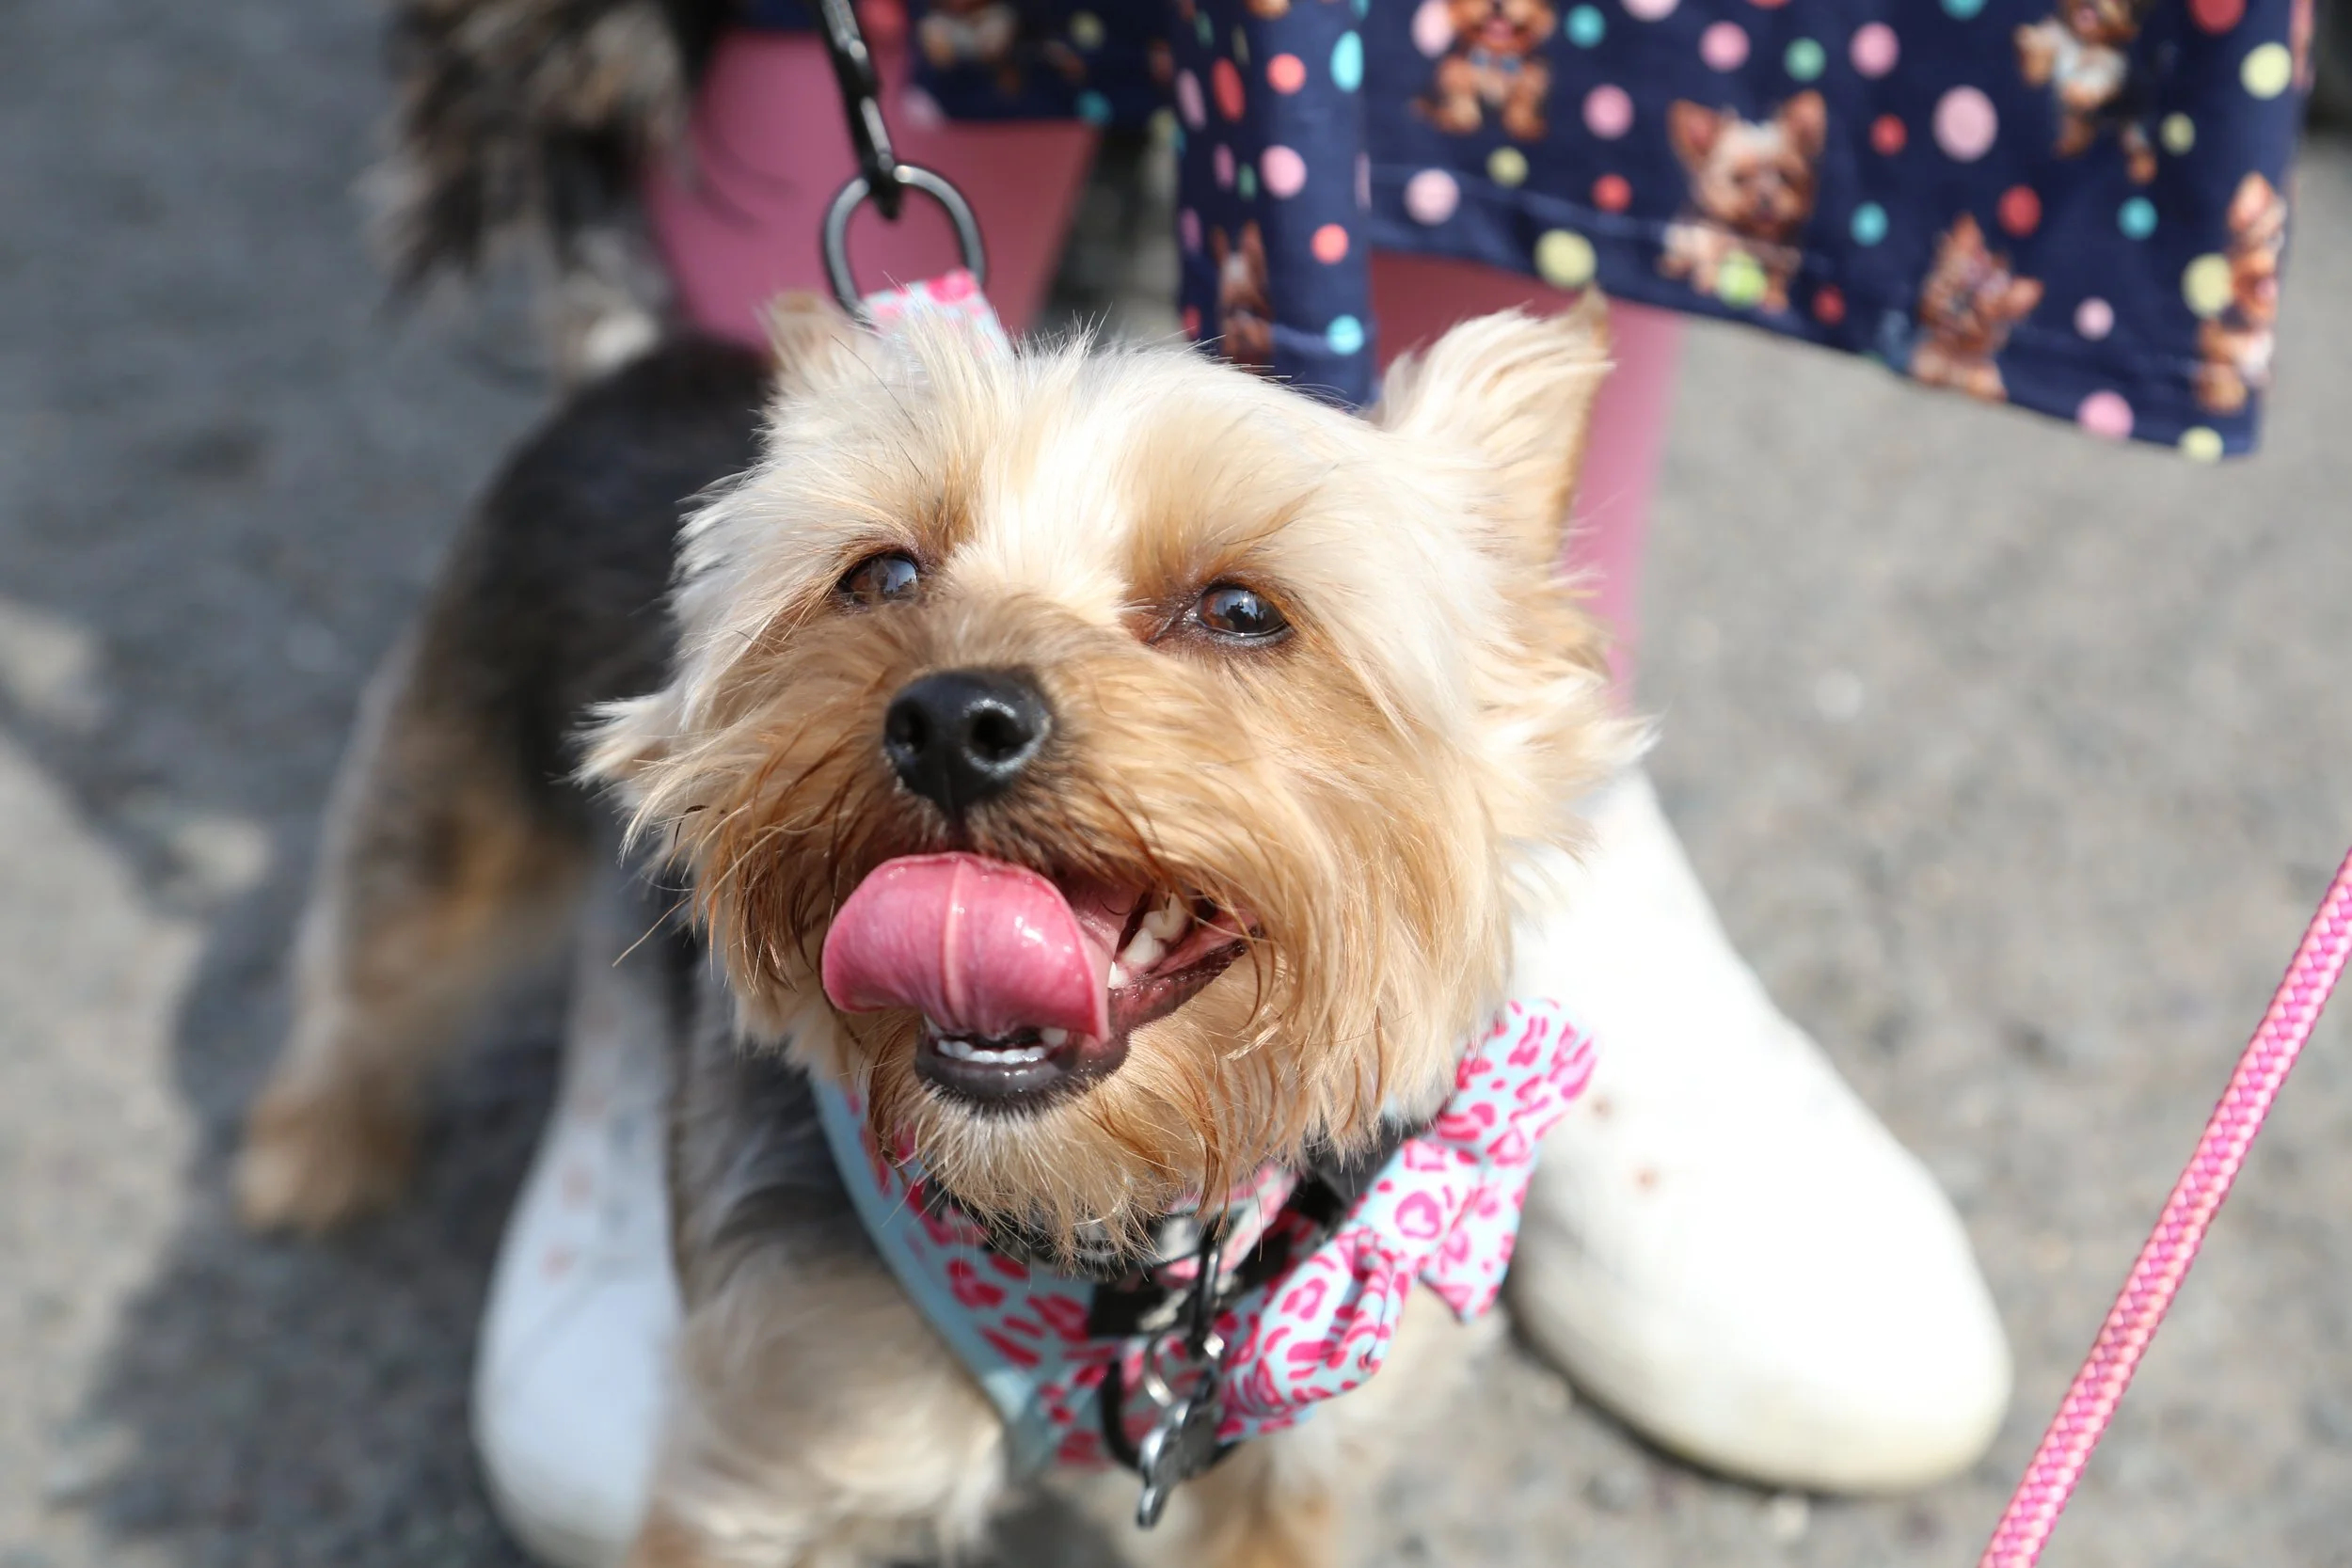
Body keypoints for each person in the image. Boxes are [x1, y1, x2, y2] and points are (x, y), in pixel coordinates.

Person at [373, 0, 2306, 1558]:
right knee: (447, 934)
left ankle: (1501, 890)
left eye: (1226, 608)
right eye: (887, 577)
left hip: (1362, 1038)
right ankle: (653, 1002)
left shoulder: (1398, 1243)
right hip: (803, 1161)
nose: (969, 686)